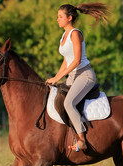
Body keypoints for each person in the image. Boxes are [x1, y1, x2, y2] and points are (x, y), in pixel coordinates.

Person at [46, 3, 108, 151]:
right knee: (56, 99)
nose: (57, 19)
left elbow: (77, 60)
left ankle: (81, 139)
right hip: (73, 76)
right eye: (57, 17)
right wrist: (56, 77)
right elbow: (66, 59)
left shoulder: (75, 33)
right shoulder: (64, 35)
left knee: (69, 103)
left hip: (84, 75)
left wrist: (58, 77)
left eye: (60, 17)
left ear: (69, 17)